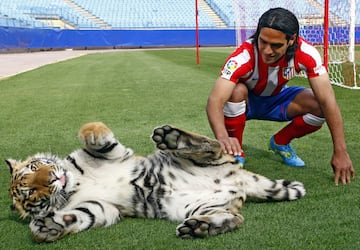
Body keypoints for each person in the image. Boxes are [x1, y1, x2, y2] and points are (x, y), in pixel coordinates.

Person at [206, 7, 355, 185]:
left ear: (292, 40)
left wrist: (341, 150)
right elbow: (215, 101)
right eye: (263, 42)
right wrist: (223, 138)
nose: (267, 51)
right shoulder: (243, 56)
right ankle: (235, 152)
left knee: (319, 105)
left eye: (275, 45)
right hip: (245, 103)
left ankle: (280, 142)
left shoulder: (307, 54)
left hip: (277, 100)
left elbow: (328, 101)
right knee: (236, 91)